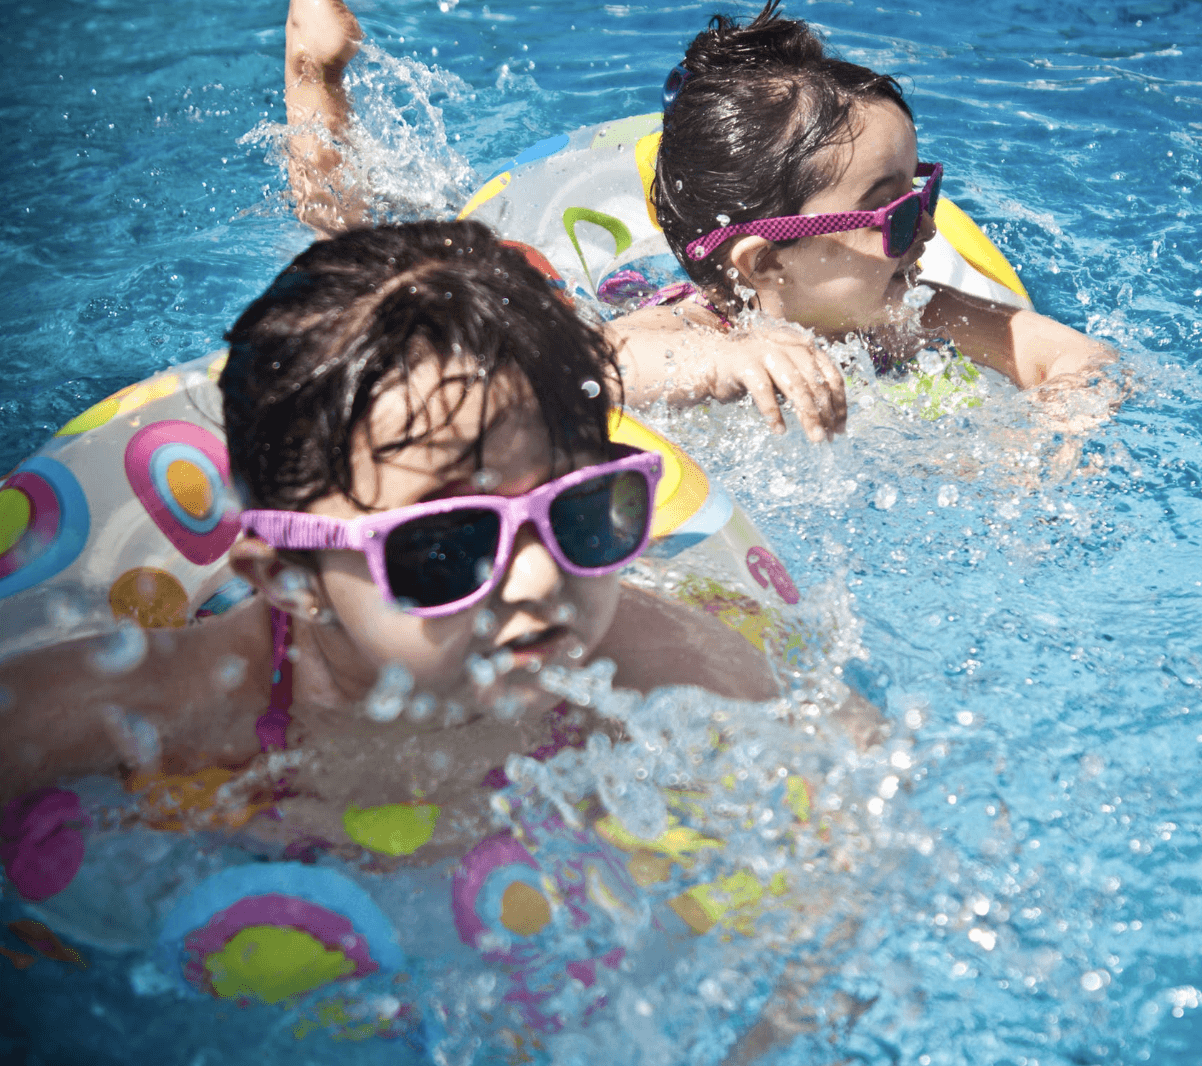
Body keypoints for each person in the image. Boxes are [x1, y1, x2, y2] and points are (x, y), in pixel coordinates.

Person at [0, 220, 779, 859]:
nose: (541, 579)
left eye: (578, 510)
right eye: (447, 545)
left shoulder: (653, 664)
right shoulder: (182, 705)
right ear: (289, 578)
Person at [280, 0, 1119, 444]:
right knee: (366, 264)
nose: (926, 234)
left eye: (923, 196)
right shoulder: (691, 322)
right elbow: (588, 372)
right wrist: (722, 357)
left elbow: (1070, 355)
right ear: (761, 266)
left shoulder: (915, 312)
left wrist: (1059, 427)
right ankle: (315, 70)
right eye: (893, 218)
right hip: (599, 296)